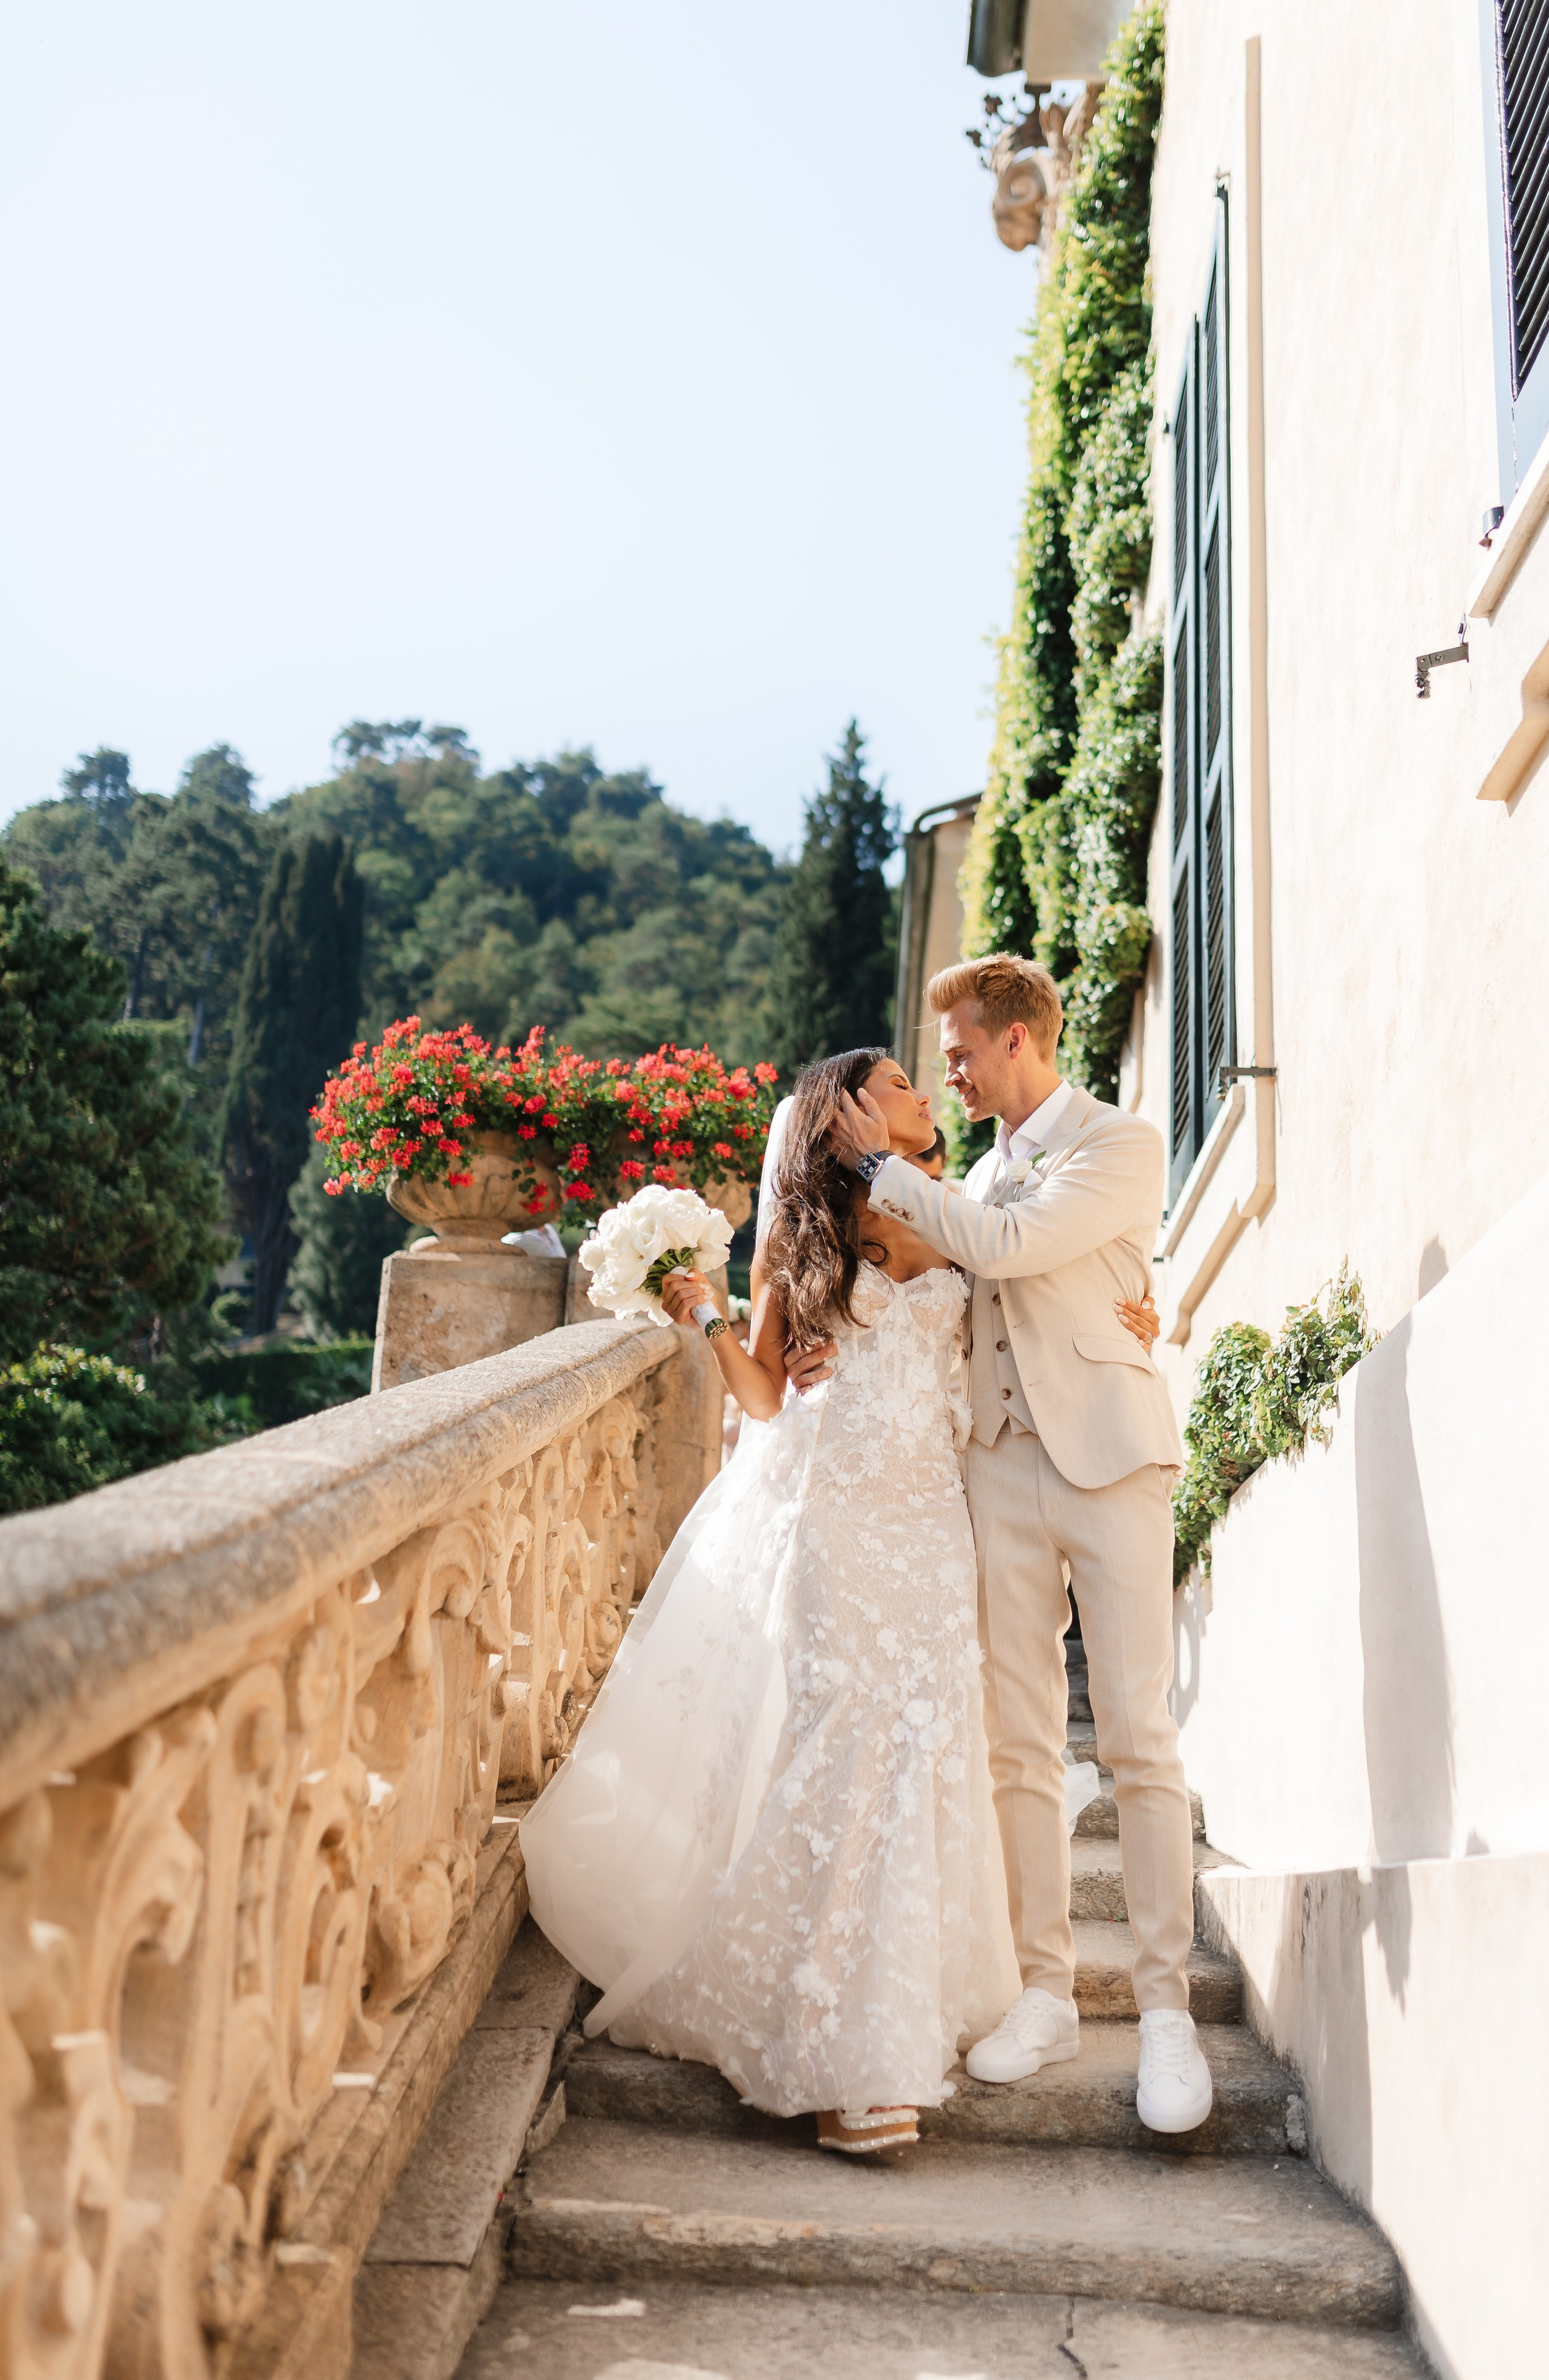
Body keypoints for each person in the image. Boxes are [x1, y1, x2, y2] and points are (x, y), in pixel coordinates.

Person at [519, 1044, 1160, 2154]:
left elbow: (1041, 1307)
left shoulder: (960, 1216)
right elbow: (765, 1398)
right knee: (841, 1750)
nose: (925, 1095)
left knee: (922, 1755)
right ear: (848, 1114)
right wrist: (710, 1319)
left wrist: (1135, 1312)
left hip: (933, 1529)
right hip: (836, 1525)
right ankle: (846, 2058)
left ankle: (898, 2007)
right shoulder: (802, 1246)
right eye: (904, 1083)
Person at [816, 955, 1211, 2134]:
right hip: (993, 1467)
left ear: (1012, 1040)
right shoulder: (977, 1168)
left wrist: (874, 1163)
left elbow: (1005, 1249)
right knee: (1018, 1743)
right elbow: (923, 1278)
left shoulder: (1117, 1142)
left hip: (1110, 1454)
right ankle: (1042, 1988)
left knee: (1136, 1735)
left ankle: (1164, 2008)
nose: (945, 1068)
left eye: (955, 1050)